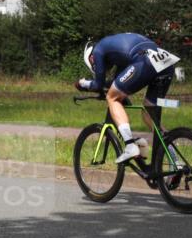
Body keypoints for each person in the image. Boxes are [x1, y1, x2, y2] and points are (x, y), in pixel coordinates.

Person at [75, 33, 180, 163]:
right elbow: (116, 82)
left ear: (90, 58)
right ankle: (175, 162)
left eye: (93, 66)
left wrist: (82, 84)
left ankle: (130, 145)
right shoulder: (118, 53)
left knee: (112, 98)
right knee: (148, 115)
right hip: (165, 62)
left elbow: (98, 84)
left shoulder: (98, 51)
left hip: (144, 60)